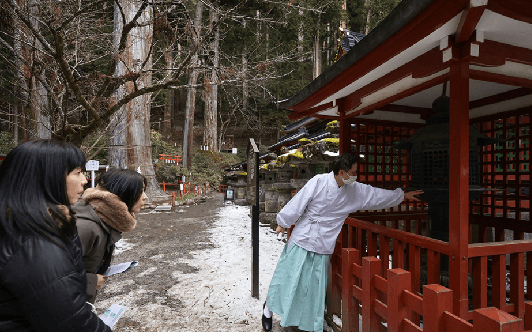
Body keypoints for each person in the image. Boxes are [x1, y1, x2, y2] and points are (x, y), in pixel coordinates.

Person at [261, 153, 423, 332]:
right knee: (288, 276)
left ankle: (305, 321)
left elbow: (375, 195)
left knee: (313, 286)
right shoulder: (319, 181)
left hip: (323, 243)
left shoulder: (354, 190)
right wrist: (283, 222)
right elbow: (298, 202)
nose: (356, 176)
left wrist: (401, 195)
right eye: (353, 172)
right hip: (303, 237)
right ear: (342, 172)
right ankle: (268, 309)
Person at [0, 139, 112, 331]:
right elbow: (72, 322)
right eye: (77, 172)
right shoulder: (35, 240)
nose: (85, 180)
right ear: (48, 177)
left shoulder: (21, 222)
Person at [73, 169, 148, 303]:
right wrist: (90, 281)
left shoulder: (104, 219)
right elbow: (49, 275)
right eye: (141, 191)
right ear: (122, 192)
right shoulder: (86, 227)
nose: (145, 197)